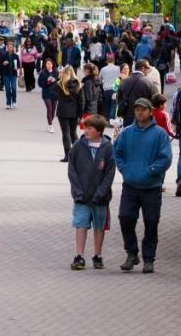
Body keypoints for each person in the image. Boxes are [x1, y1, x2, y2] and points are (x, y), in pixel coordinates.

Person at [114, 98, 173, 273]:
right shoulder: (126, 133)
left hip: (152, 187)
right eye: (137, 109)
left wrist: (151, 171)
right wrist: (125, 169)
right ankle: (132, 253)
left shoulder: (160, 134)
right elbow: (117, 152)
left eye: (143, 109)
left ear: (150, 111)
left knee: (151, 222)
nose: (140, 112)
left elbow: (165, 158)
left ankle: (149, 258)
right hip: (130, 185)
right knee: (125, 218)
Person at [67, 114, 116, 270]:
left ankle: (97, 255)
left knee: (99, 226)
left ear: (99, 131)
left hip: (100, 197)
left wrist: (101, 192)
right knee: (81, 224)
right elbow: (72, 171)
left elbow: (109, 173)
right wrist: (77, 192)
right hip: (82, 195)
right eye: (85, 127)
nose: (86, 130)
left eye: (90, 128)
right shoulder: (78, 146)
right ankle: (79, 255)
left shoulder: (108, 148)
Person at [55, 66, 85, 160]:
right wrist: (81, 115)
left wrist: (58, 77)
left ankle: (67, 155)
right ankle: (77, 155)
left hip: (63, 111)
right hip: (74, 111)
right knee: (73, 132)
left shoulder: (60, 84)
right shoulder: (79, 85)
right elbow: (81, 101)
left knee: (66, 133)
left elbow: (53, 92)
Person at [116, 61, 152, 128]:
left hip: (127, 115)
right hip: (143, 116)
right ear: (143, 69)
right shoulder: (147, 82)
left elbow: (118, 97)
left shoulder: (124, 81)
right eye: (148, 69)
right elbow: (154, 99)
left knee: (129, 135)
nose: (148, 71)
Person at [38, 58, 59, 133]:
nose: (48, 65)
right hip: (46, 93)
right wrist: (47, 81)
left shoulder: (56, 72)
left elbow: (60, 82)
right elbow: (40, 84)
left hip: (55, 94)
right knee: (49, 109)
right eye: (47, 64)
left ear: (53, 64)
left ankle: (50, 122)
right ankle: (50, 125)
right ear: (45, 65)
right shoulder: (43, 73)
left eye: (50, 64)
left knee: (53, 110)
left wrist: (55, 81)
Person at [0, 41, 20, 109]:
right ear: (7, 48)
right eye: (8, 47)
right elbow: (0, 64)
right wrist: (3, 63)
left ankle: (14, 101)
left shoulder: (16, 56)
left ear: (13, 48)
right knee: (8, 89)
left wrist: (17, 67)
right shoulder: (4, 55)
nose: (10, 48)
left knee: (14, 88)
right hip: (6, 74)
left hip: (14, 74)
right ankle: (8, 103)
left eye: (11, 47)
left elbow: (19, 65)